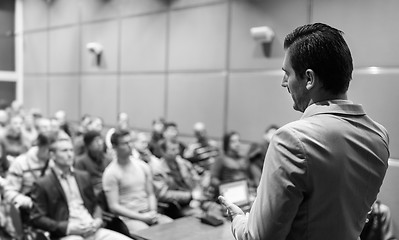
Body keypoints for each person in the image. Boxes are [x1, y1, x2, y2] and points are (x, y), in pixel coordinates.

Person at [219, 23, 390, 240]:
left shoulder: (291, 140)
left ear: (309, 79)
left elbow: (259, 237)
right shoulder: (379, 136)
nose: (284, 83)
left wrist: (238, 219)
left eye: (286, 73)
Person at [29, 136, 131, 240]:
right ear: (52, 155)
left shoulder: (83, 176)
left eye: (71, 150)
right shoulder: (43, 183)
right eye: (64, 151)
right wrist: (66, 227)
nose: (69, 155)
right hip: (69, 234)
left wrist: (98, 219)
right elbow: (37, 218)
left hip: (92, 228)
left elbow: (95, 204)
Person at [102, 129, 172, 234]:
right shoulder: (111, 173)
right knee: (148, 234)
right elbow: (114, 207)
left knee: (173, 227)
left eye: (131, 142)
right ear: (115, 147)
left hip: (148, 213)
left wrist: (153, 212)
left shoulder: (143, 166)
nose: (130, 145)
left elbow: (151, 194)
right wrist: (142, 217)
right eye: (125, 143)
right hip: (129, 218)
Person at [74, 130, 112, 196]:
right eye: (96, 141)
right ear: (88, 145)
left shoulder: (108, 159)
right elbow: (81, 184)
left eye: (101, 140)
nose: (100, 143)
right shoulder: (80, 162)